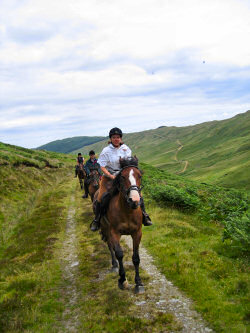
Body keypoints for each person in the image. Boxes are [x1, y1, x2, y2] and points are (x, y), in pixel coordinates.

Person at [90, 127, 153, 231]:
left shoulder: (126, 149)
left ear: (120, 138)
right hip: (109, 177)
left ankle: (144, 216)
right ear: (110, 139)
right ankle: (97, 220)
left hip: (123, 176)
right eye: (114, 137)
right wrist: (110, 175)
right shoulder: (106, 151)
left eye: (118, 137)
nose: (116, 139)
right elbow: (102, 166)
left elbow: (128, 164)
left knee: (138, 194)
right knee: (101, 197)